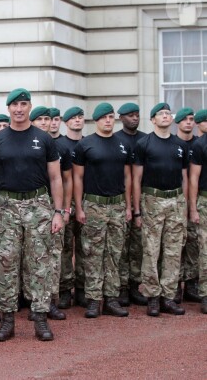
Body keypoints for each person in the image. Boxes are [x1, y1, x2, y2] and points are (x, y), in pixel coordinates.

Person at [0, 88, 63, 343]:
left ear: (30, 107)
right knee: (5, 263)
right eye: (15, 105)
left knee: (40, 264)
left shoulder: (44, 138)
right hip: (6, 206)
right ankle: (7, 320)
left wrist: (58, 212)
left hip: (39, 205)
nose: (19, 109)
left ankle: (40, 318)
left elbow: (56, 177)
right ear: (8, 109)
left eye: (24, 104)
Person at [72, 103, 131, 318]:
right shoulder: (85, 145)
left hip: (117, 204)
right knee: (93, 253)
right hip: (94, 205)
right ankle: (94, 299)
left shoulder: (122, 144)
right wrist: (79, 207)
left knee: (115, 254)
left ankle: (111, 298)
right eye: (104, 117)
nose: (108, 120)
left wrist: (128, 206)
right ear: (95, 120)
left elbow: (127, 177)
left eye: (110, 117)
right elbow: (77, 178)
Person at [133, 102, 187, 317]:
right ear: (153, 120)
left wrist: (185, 205)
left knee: (173, 251)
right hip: (151, 200)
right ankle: (152, 296)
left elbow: (184, 178)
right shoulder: (143, 144)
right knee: (151, 250)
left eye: (168, 113)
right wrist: (137, 211)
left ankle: (169, 296)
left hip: (175, 200)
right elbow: (136, 180)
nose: (165, 116)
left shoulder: (179, 145)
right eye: (160, 114)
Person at [29, 106, 70, 321]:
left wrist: (63, 209)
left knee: (52, 258)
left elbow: (65, 180)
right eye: (41, 119)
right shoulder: (27, 144)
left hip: (51, 208)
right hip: (28, 208)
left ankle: (49, 301)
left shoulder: (58, 147)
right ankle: (28, 300)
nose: (45, 123)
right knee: (28, 259)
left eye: (48, 119)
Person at [115, 103, 148, 307]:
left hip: (142, 195)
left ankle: (135, 285)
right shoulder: (116, 139)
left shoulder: (145, 139)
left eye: (137, 115)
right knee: (120, 246)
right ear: (121, 118)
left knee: (137, 246)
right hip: (119, 196)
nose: (134, 118)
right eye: (130, 115)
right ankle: (121, 288)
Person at [56, 106, 85, 308]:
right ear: (66, 122)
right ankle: (65, 288)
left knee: (85, 246)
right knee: (65, 247)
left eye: (80, 117)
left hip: (86, 200)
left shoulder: (89, 143)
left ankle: (82, 288)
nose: (77, 121)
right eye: (72, 118)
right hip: (66, 201)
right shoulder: (59, 145)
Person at [174, 107, 201, 304]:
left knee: (193, 242)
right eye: (184, 120)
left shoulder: (199, 144)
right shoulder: (173, 143)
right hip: (174, 199)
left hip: (197, 199)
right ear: (178, 123)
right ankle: (174, 285)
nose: (188, 123)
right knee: (174, 244)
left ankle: (191, 283)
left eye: (191, 119)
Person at [187, 108, 207, 314]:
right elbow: (193, 179)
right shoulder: (200, 145)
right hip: (205, 200)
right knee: (206, 250)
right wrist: (193, 208)